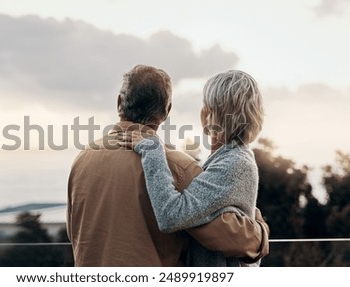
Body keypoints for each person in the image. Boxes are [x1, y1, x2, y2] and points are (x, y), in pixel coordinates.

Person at [67, 65, 269, 266]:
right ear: (167, 111)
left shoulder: (83, 159)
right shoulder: (179, 168)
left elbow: (73, 230)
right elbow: (228, 234)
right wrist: (259, 232)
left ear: (119, 102)